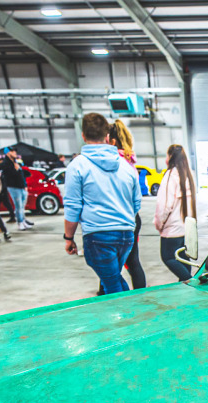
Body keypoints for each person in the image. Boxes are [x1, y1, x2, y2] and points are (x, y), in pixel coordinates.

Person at [62, 112, 140, 294]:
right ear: (107, 136)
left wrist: (68, 238)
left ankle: (130, 311)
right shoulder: (126, 166)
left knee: (112, 286)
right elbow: (136, 202)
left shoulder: (77, 166)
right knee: (112, 280)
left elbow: (73, 207)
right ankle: (125, 309)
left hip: (98, 235)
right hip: (126, 235)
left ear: (83, 136)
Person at [109, 118, 146, 290]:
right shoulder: (129, 160)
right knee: (132, 261)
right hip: (132, 216)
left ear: (111, 141)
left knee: (112, 265)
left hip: (119, 217)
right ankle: (140, 295)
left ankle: (109, 296)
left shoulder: (114, 161)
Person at [154, 144, 198, 282]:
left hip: (172, 229)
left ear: (171, 157)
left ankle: (191, 283)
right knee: (183, 259)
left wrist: (159, 224)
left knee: (168, 257)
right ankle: (185, 288)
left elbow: (164, 206)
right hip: (186, 228)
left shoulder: (170, 175)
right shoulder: (189, 174)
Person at [0, 151, 31, 230]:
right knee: (18, 206)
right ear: (8, 153)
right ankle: (20, 222)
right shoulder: (6, 164)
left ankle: (23, 221)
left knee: (22, 206)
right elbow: (9, 175)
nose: (15, 153)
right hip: (13, 187)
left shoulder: (16, 163)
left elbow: (21, 175)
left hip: (21, 187)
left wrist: (24, 185)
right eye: (12, 152)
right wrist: (16, 170)